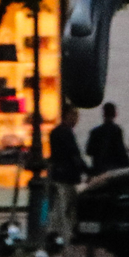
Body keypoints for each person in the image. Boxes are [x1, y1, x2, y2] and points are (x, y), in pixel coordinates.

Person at [46, 104, 86, 248]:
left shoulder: (55, 132)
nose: (76, 119)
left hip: (60, 174)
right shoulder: (66, 133)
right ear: (67, 115)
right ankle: (62, 234)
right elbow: (74, 154)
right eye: (74, 115)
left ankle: (54, 232)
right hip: (67, 176)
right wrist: (85, 170)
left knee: (59, 206)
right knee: (65, 207)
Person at [86, 102, 129, 177]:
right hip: (113, 170)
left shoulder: (95, 132)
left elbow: (89, 151)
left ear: (103, 114)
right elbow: (121, 151)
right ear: (115, 114)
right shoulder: (116, 130)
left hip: (98, 170)